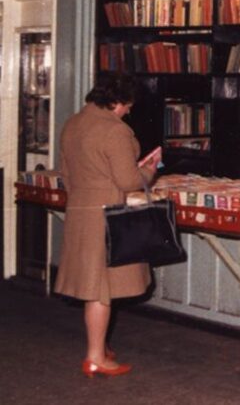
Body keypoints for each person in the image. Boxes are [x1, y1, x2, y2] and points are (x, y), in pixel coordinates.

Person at [54, 72, 162, 378]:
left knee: (94, 286)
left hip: (81, 211)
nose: (129, 111)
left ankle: (99, 345)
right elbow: (129, 182)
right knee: (102, 289)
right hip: (108, 215)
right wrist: (149, 171)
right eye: (127, 105)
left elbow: (68, 174)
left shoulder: (73, 123)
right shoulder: (115, 131)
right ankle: (95, 357)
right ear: (117, 102)